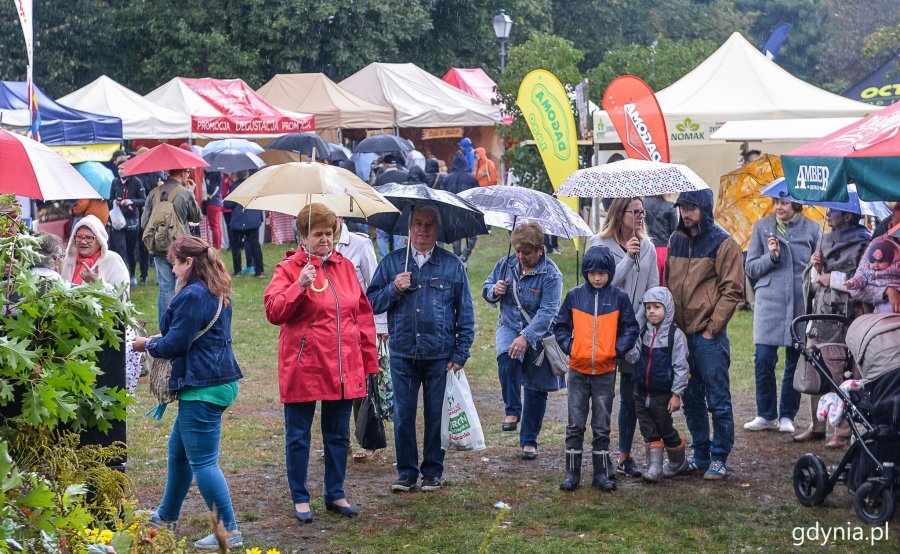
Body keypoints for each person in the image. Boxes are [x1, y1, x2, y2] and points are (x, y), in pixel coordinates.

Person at [264, 203, 378, 522]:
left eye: (329, 234)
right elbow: (274, 311)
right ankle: (300, 497)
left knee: (338, 434)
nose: (325, 240)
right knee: (299, 434)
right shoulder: (287, 269)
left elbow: (362, 316)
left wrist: (368, 363)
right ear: (302, 236)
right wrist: (298, 285)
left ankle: (335, 492)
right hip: (304, 364)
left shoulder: (343, 268)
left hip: (342, 365)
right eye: (318, 235)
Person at [133, 236, 243, 551]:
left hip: (203, 386)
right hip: (214, 380)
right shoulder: (215, 289)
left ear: (188, 262)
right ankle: (166, 515)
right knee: (179, 451)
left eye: (175, 263)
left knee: (204, 462)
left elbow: (175, 344)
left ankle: (230, 530)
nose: (173, 269)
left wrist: (146, 344)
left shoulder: (193, 295)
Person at [367, 205, 475, 493]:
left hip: (439, 355)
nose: (423, 230)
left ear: (438, 230)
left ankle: (432, 471)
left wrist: (461, 352)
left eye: (429, 225)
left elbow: (465, 314)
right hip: (402, 352)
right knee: (403, 415)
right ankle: (406, 472)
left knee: (435, 416)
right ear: (409, 227)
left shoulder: (452, 266)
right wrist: (394, 288)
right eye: (418, 224)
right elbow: (371, 303)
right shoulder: (392, 263)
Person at [665, 189, 744, 480]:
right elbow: (669, 282)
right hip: (681, 336)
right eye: (683, 207)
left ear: (705, 209)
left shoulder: (723, 243)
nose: (686, 213)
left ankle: (719, 457)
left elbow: (732, 289)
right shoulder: (676, 240)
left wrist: (712, 330)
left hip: (708, 336)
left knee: (718, 399)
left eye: (692, 208)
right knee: (691, 399)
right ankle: (701, 453)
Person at [553, 245, 639, 492]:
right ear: (585, 273)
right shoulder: (574, 296)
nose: (597, 277)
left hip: (605, 372)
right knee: (575, 424)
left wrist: (615, 350)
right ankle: (572, 473)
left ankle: (601, 474)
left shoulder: (619, 298)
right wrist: (572, 347)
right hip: (578, 371)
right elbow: (560, 326)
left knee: (601, 425)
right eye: (592, 273)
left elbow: (631, 328)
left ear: (610, 272)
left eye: (602, 272)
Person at [482, 224, 564, 459]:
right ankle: (512, 410)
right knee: (506, 357)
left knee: (536, 389)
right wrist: (494, 290)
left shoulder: (552, 274)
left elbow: (548, 313)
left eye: (526, 253)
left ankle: (529, 441)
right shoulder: (505, 264)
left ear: (540, 250)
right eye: (518, 251)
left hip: (540, 335)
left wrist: (526, 337)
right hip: (509, 326)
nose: (521, 257)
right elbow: (485, 288)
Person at [589, 197, 658, 478]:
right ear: (620, 213)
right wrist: (628, 259)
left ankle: (625, 455)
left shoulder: (649, 247)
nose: (641, 216)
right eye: (635, 212)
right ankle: (600, 455)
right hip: (604, 330)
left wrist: (635, 326)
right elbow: (600, 285)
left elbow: (652, 291)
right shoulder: (598, 244)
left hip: (635, 333)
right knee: (603, 395)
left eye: (643, 211)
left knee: (631, 396)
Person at [744, 199, 821, 434]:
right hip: (770, 301)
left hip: (799, 301)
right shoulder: (762, 227)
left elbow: (818, 271)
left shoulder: (813, 228)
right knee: (763, 358)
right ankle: (765, 414)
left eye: (785, 202)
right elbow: (751, 268)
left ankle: (787, 414)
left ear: (796, 204)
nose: (779, 207)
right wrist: (772, 257)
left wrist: (817, 265)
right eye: (776, 202)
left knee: (795, 359)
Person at [796, 209, 870, 447]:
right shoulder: (823, 239)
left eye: (835, 211)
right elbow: (812, 284)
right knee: (816, 368)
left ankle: (843, 430)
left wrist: (835, 278)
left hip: (845, 318)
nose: (829, 215)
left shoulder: (864, 243)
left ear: (849, 216)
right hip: (821, 316)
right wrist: (816, 268)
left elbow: (865, 281)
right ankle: (817, 426)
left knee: (843, 373)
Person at [333, 218, 390, 462]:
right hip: (331, 328)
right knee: (334, 385)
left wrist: (381, 324)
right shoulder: (314, 246)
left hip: (359, 326)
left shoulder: (359, 244)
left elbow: (375, 285)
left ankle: (369, 440)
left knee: (361, 385)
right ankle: (338, 439)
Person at [624, 287, 689, 482]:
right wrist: (631, 338)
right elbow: (633, 357)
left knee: (664, 427)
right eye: (648, 307)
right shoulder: (642, 331)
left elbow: (681, 366)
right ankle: (655, 467)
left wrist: (677, 393)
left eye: (657, 307)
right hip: (641, 391)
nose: (651, 311)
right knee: (647, 428)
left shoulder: (675, 336)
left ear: (667, 309)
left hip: (663, 393)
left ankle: (678, 462)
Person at [141, 167, 202, 321]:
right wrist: (192, 193)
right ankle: (179, 321)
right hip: (181, 247)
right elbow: (197, 217)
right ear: (182, 173)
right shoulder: (185, 193)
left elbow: (144, 223)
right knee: (181, 283)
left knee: (165, 287)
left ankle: (165, 324)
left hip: (159, 246)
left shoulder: (154, 192)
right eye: (188, 173)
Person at [61, 215, 130, 291]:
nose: (83, 241)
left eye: (89, 238)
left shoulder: (113, 260)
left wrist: (97, 283)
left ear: (100, 241)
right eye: (79, 237)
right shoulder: (68, 260)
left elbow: (123, 296)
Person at [109, 157, 147, 286]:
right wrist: (116, 202)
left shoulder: (137, 182)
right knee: (120, 249)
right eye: (119, 168)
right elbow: (110, 199)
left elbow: (143, 200)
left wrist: (131, 201)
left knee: (131, 250)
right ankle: (121, 277)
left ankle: (132, 275)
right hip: (118, 221)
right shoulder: (114, 182)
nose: (121, 171)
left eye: (123, 168)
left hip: (132, 221)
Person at [222, 171, 265, 278]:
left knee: (235, 246)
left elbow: (228, 204)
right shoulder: (254, 186)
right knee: (255, 245)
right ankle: (260, 271)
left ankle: (237, 271)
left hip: (238, 220)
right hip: (252, 220)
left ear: (236, 175)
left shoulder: (234, 187)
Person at [441, 152, 480, 262]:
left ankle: (457, 255)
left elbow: (442, 195)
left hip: (452, 212)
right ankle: (465, 255)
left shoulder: (448, 179)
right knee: (471, 235)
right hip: (468, 212)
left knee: (456, 236)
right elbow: (477, 196)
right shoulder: (471, 179)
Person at [845, 237, 900, 313]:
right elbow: (858, 281)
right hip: (880, 307)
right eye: (872, 262)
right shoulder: (877, 243)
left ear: (889, 260)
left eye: (880, 262)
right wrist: (852, 283)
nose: (876, 265)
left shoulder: (895, 268)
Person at [373, 155, 409, 257]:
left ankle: (384, 258)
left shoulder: (380, 178)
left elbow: (375, 195)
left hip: (384, 212)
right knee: (399, 237)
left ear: (385, 165)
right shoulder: (405, 175)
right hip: (400, 212)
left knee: (381, 237)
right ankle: (397, 259)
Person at [642, 195, 677, 283]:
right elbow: (674, 233)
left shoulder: (640, 204)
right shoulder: (670, 206)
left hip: (644, 249)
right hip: (664, 251)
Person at [203, 171, 224, 249]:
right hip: (217, 202)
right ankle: (217, 246)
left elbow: (211, 191)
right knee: (217, 226)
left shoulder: (213, 175)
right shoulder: (217, 174)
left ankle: (216, 247)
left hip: (212, 203)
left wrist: (205, 181)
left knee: (214, 227)